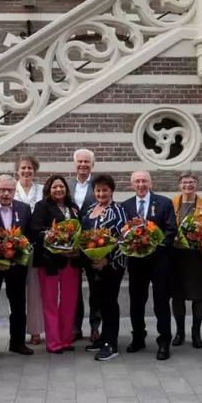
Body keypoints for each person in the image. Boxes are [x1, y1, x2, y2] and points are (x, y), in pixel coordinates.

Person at [122, 170, 177, 360]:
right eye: (137, 181)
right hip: (136, 262)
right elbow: (123, 233)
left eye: (144, 181)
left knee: (161, 302)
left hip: (159, 261)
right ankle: (138, 337)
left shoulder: (164, 202)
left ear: (150, 183)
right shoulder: (126, 206)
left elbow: (171, 230)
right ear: (132, 185)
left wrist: (155, 244)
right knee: (137, 302)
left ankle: (164, 341)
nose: (141, 184)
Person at [0, 175, 34, 359]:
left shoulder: (24, 209)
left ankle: (17, 343)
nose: (6, 193)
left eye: (10, 190)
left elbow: (29, 237)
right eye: (2, 189)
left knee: (18, 305)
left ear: (15, 190)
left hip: (16, 266)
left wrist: (18, 255)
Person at [31, 175, 81, 354]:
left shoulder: (73, 208)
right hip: (49, 261)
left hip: (71, 261)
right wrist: (55, 238)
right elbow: (35, 231)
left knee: (69, 302)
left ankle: (66, 340)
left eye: (61, 187)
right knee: (51, 302)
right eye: (54, 187)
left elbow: (80, 231)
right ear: (48, 190)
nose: (58, 190)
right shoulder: (42, 206)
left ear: (66, 189)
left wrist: (76, 245)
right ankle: (53, 343)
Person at [80, 174, 128, 361]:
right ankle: (102, 338)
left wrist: (106, 260)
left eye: (105, 190)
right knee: (98, 300)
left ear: (111, 191)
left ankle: (111, 343)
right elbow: (84, 235)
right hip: (92, 264)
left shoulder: (118, 210)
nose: (101, 193)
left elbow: (123, 238)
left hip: (112, 265)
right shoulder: (91, 209)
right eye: (98, 190)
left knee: (109, 302)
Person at [170, 172, 202, 349]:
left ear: (196, 184)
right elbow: (166, 224)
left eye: (191, 182)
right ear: (179, 185)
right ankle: (180, 332)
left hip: (199, 255)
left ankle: (196, 333)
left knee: (199, 295)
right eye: (184, 182)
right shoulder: (172, 203)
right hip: (177, 255)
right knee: (177, 295)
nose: (188, 185)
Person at [66, 148, 100, 343]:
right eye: (80, 161)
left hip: (93, 242)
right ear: (75, 164)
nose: (83, 165)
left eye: (87, 162)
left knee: (96, 286)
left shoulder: (99, 184)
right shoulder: (67, 184)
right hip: (71, 245)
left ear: (92, 165)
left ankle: (95, 326)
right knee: (74, 288)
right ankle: (75, 326)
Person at [15, 155, 45, 346]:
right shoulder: (11, 188)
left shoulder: (42, 190)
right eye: (23, 168)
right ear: (17, 171)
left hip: (36, 246)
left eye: (30, 168)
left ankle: (35, 330)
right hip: (14, 246)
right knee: (16, 290)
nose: (26, 171)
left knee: (35, 290)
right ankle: (17, 330)